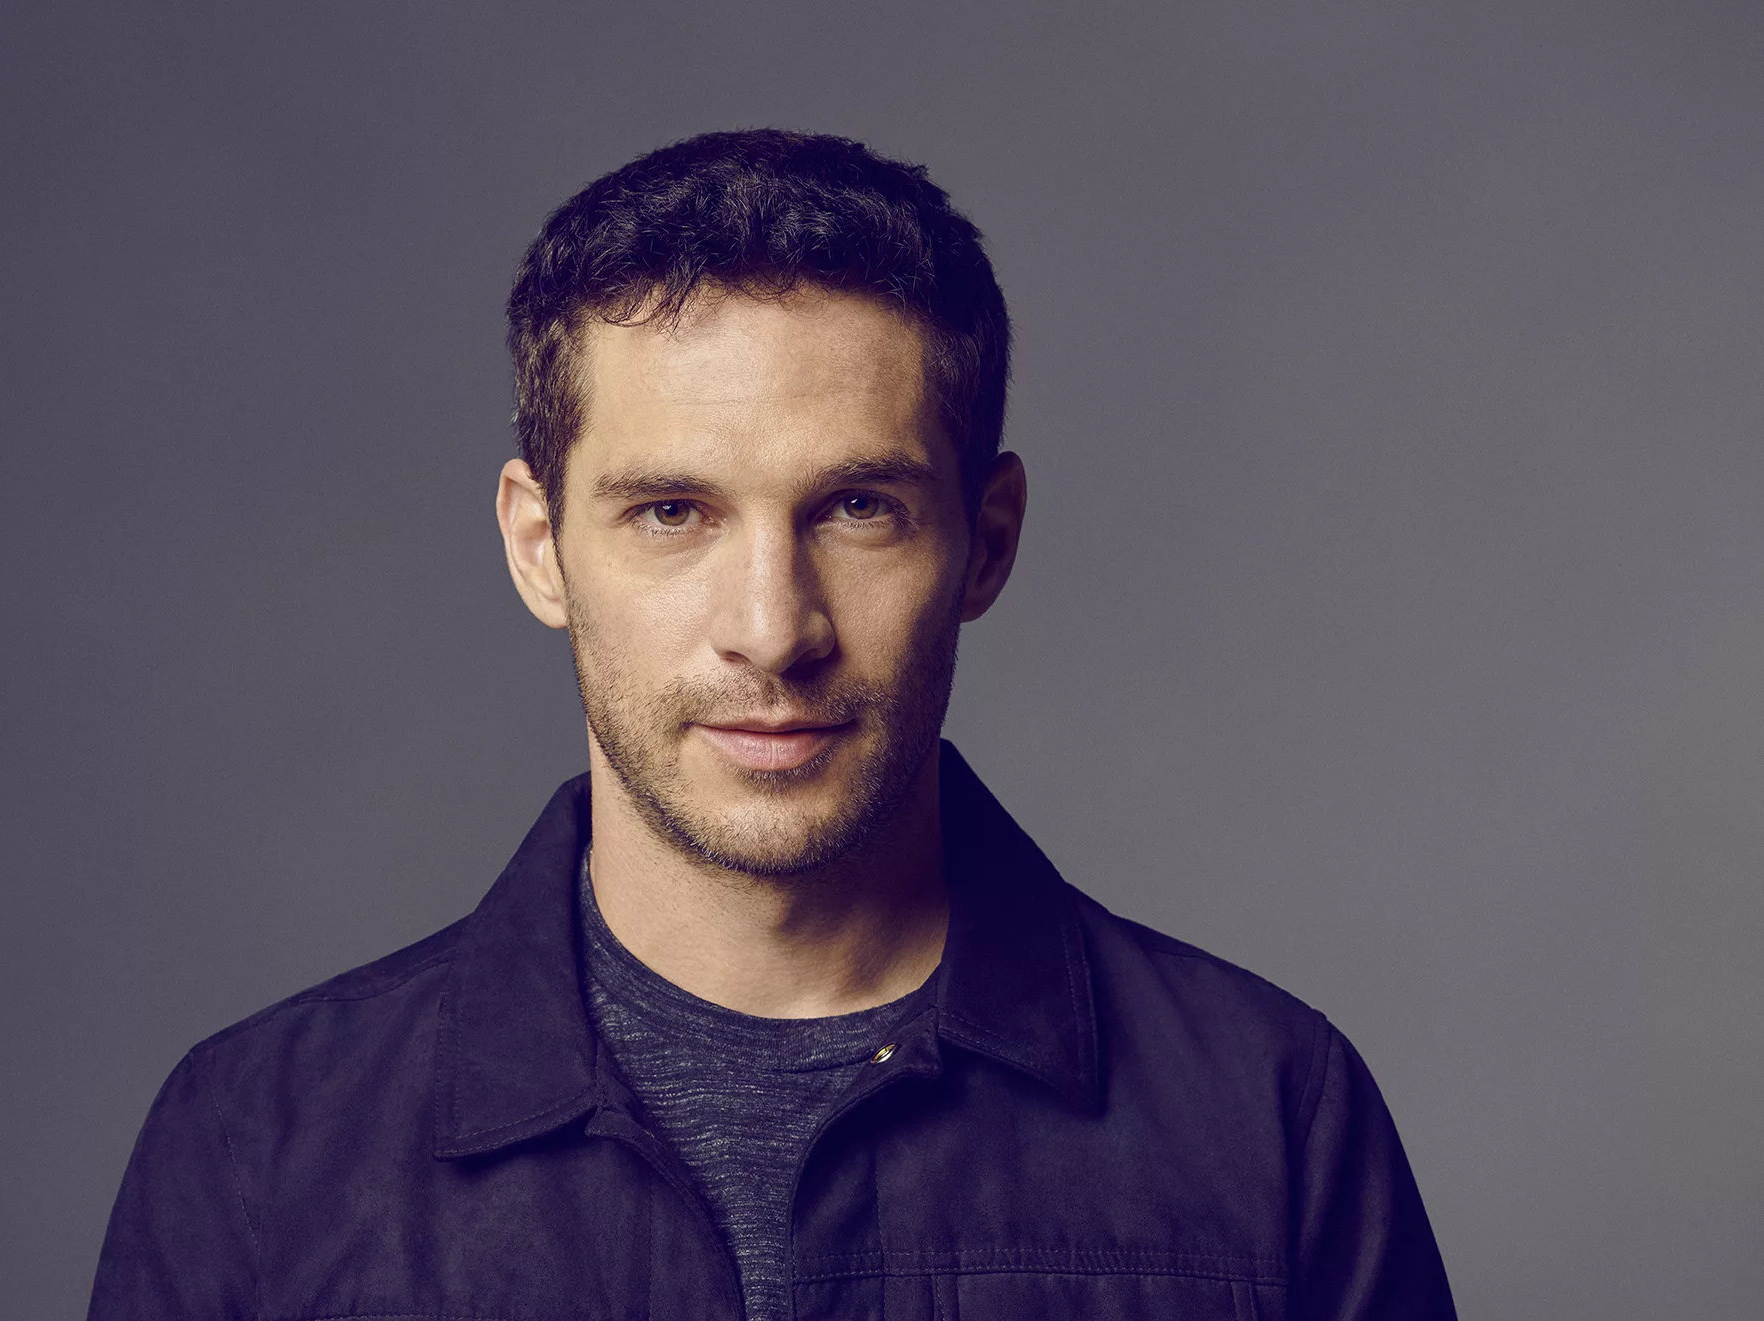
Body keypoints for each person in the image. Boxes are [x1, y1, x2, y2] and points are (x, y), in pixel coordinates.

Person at [89, 129, 1456, 1321]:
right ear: (539, 547)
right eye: (671, 512)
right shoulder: (258, 1148)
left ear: (986, 543)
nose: (773, 627)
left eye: (859, 509)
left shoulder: (1272, 1119)